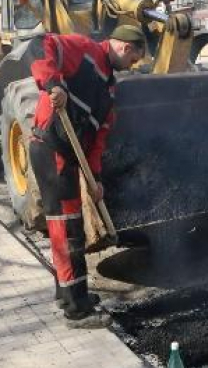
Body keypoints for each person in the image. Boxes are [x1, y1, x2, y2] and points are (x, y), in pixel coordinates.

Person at [29, 24, 147, 328]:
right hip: (51, 146)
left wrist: (95, 179)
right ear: (124, 47)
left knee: (69, 228)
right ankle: (77, 310)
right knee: (67, 230)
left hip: (70, 154)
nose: (133, 66)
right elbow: (41, 45)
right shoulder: (85, 51)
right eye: (134, 59)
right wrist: (54, 84)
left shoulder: (108, 90)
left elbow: (97, 140)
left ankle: (68, 293)